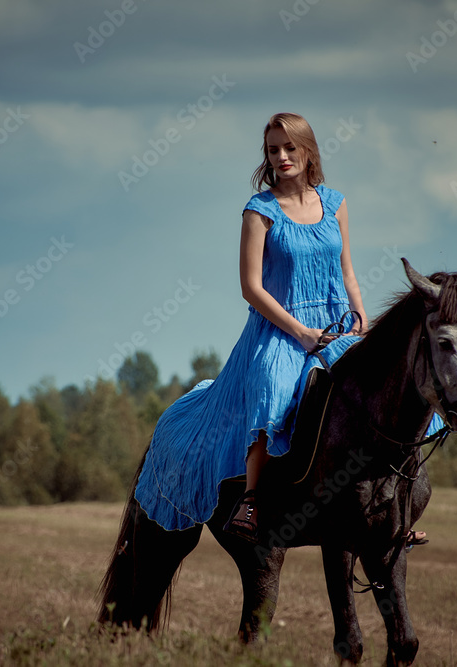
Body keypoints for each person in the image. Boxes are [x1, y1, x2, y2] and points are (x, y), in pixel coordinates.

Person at [132, 112, 367, 542]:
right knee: (271, 388)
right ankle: (252, 499)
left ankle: (388, 503)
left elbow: (347, 270)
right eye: (273, 150)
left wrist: (360, 317)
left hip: (335, 325)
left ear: (308, 150)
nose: (281, 157)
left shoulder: (335, 203)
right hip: (278, 329)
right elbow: (251, 288)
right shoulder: (259, 211)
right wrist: (300, 333)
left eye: (289, 148)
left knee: (376, 388)